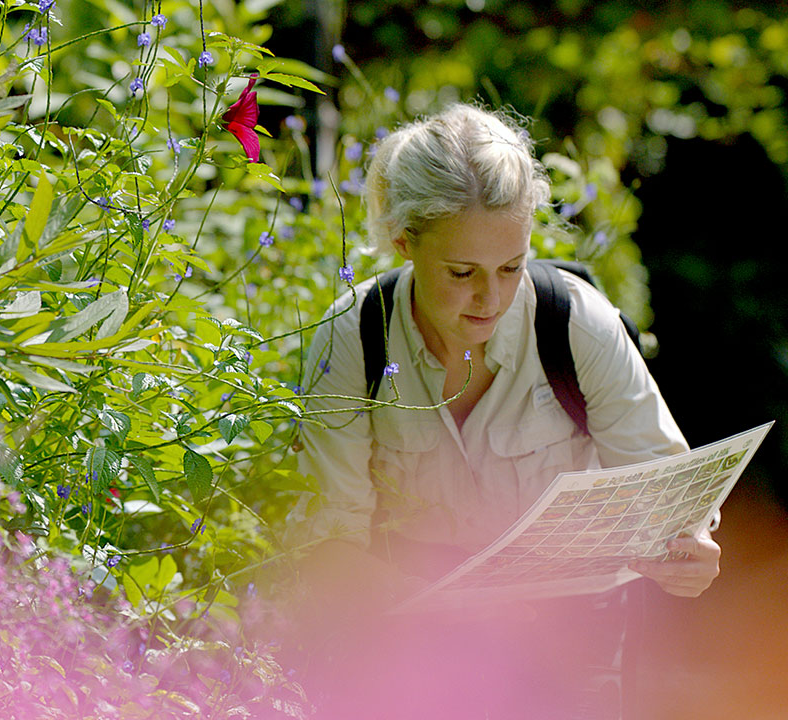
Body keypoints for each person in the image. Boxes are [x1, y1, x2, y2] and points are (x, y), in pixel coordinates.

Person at [285, 103, 721, 719]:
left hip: (572, 638)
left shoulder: (577, 323)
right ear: (405, 242)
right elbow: (328, 544)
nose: (490, 298)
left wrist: (690, 547)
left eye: (511, 267)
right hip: (406, 627)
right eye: (462, 272)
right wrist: (450, 613)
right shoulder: (350, 337)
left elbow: (668, 490)